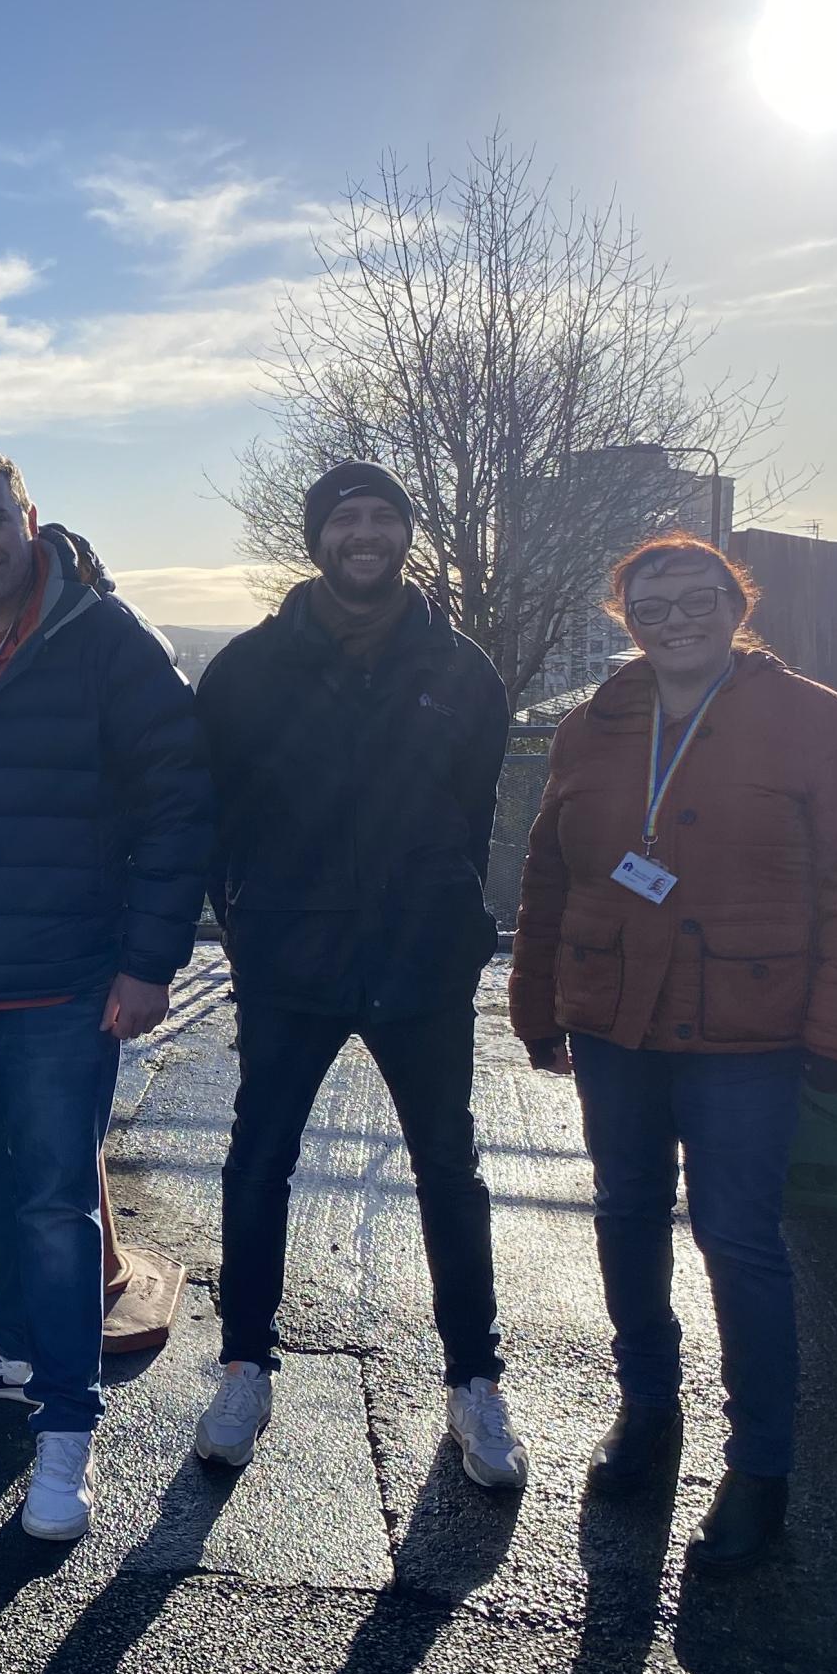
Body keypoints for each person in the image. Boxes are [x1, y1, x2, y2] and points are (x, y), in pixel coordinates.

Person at [512, 533, 837, 1570]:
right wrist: (537, 1000)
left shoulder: (814, 722)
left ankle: (758, 1466)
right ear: (624, 619)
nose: (673, 617)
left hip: (749, 1029)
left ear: (735, 604)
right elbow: (549, 879)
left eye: (695, 598)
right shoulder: (592, 728)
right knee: (624, 1214)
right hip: (613, 1023)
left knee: (737, 1240)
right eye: (649, 603)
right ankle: (646, 1409)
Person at [0, 445, 209, 1541]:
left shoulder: (106, 643)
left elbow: (177, 807)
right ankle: (20, 1351)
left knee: (55, 1204)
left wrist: (149, 962)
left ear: (28, 520)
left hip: (63, 984)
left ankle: (66, 1430)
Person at [193, 459, 528, 1492]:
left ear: (404, 535)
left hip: (419, 959)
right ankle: (244, 1366)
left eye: (383, 517)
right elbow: (215, 818)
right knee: (257, 1165)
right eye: (346, 520)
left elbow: (473, 813)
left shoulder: (461, 670)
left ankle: (472, 1382)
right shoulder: (246, 671)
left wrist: (448, 917)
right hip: (290, 954)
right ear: (316, 539)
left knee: (449, 1173)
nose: (365, 535)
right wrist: (249, 926)